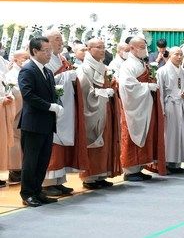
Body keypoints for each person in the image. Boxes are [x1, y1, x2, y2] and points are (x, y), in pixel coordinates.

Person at [42, 30, 88, 198]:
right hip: (53, 107)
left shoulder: (61, 58)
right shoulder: (45, 61)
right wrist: (67, 75)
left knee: (62, 145)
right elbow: (48, 81)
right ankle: (47, 183)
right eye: (57, 39)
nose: (60, 42)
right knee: (53, 144)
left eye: (61, 39)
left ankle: (59, 181)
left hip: (65, 106)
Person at [18, 37, 64, 207]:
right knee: (31, 161)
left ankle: (38, 191)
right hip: (33, 123)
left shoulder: (47, 71)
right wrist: (49, 107)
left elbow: (51, 94)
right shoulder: (28, 70)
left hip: (46, 122)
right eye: (45, 51)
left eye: (50, 50)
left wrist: (56, 106)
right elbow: (28, 95)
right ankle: (27, 193)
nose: (49, 54)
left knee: (43, 160)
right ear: (35, 51)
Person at [117, 36, 167, 181]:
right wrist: (146, 86)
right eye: (140, 46)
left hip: (145, 105)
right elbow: (127, 86)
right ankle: (130, 170)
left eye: (144, 46)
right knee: (133, 135)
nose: (144, 49)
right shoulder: (128, 65)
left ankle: (138, 167)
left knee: (146, 134)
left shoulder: (140, 62)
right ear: (131, 48)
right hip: (134, 108)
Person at [77, 38, 120, 189]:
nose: (102, 50)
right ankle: (89, 177)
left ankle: (101, 174)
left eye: (103, 47)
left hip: (104, 107)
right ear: (89, 49)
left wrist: (112, 86)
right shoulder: (85, 68)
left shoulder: (103, 66)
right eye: (98, 47)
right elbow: (83, 91)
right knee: (93, 141)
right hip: (93, 109)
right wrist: (103, 92)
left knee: (106, 140)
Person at [157, 47, 184, 174]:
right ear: (169, 55)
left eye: (181, 55)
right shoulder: (162, 71)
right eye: (176, 54)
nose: (180, 57)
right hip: (169, 105)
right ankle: (167, 162)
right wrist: (161, 109)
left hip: (181, 105)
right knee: (169, 134)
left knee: (181, 133)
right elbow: (160, 91)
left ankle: (177, 162)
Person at [5, 50, 29, 184]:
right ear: (15, 59)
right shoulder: (11, 74)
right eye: (24, 58)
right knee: (15, 140)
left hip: (25, 110)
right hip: (16, 111)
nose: (26, 60)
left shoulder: (25, 71)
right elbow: (15, 91)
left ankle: (21, 169)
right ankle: (15, 170)